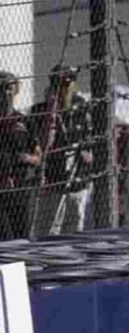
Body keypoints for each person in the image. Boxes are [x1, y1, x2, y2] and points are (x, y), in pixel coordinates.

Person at [28, 65, 94, 236]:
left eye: (68, 84)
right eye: (60, 85)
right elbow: (38, 142)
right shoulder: (40, 110)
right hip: (52, 176)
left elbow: (90, 138)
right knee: (50, 225)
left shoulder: (82, 108)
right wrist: (51, 112)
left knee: (75, 221)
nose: (65, 90)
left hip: (77, 176)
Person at [0, 71, 40, 239]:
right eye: (1, 88)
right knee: (5, 237)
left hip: (20, 187)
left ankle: (21, 265)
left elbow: (38, 156)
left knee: (21, 237)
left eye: (9, 88)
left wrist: (26, 158)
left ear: (16, 90)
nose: (4, 93)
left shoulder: (24, 121)